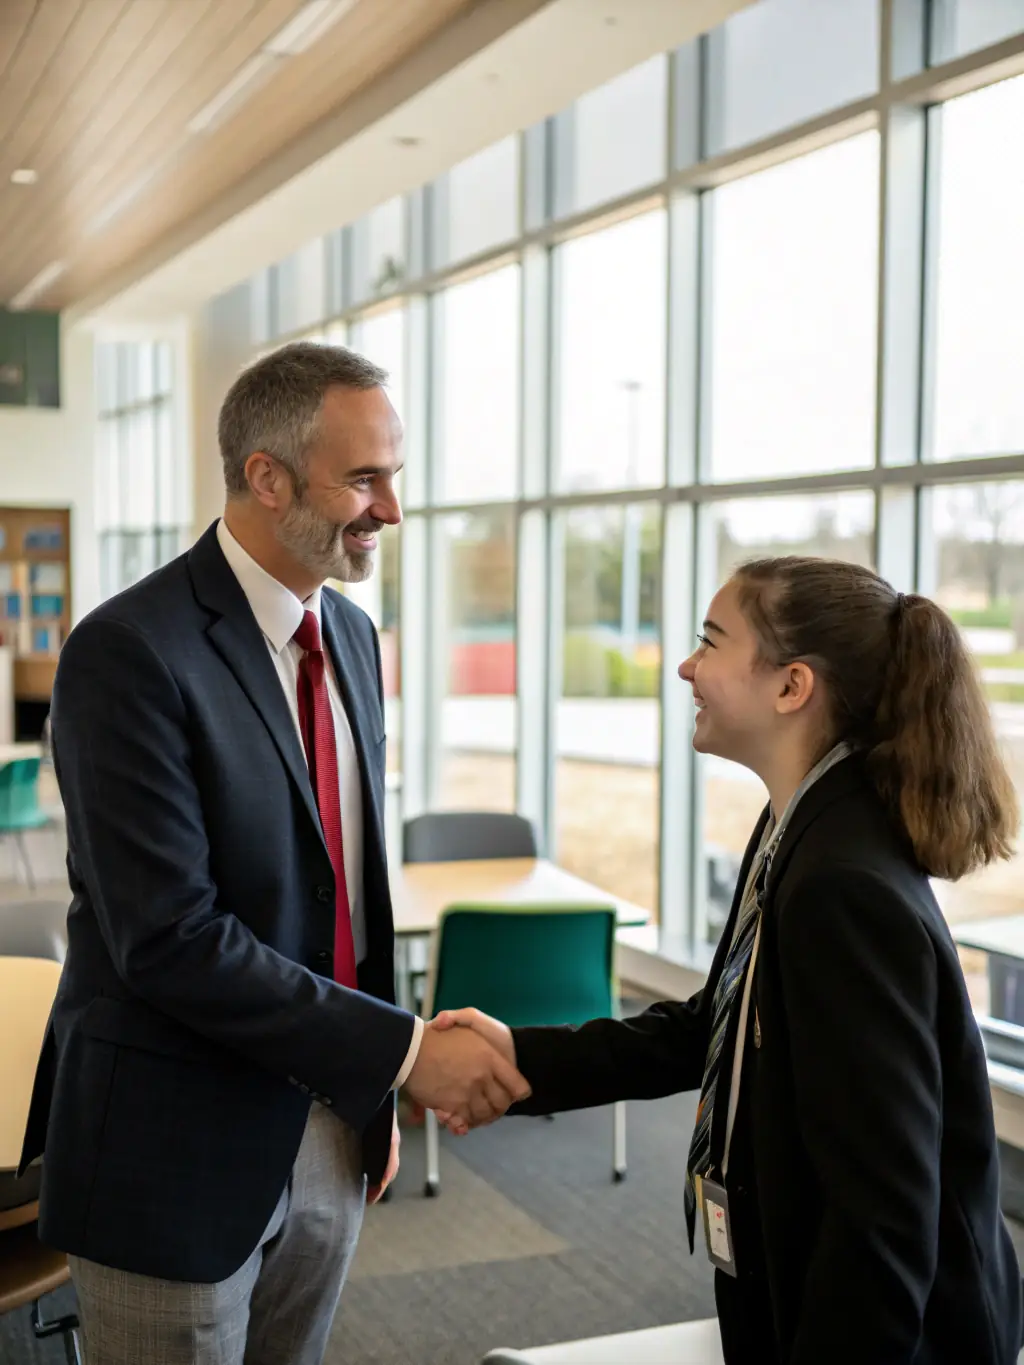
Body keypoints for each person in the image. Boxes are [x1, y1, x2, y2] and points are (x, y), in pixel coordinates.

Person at [19, 342, 529, 1365]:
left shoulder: (350, 637)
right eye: (365, 479)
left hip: (331, 1124)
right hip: (174, 1151)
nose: (391, 510)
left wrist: (373, 1102)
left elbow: (351, 886)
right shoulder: (129, 650)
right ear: (266, 476)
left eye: (395, 476)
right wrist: (406, 1050)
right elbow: (169, 937)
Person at [435, 556, 1024, 1365]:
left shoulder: (841, 886)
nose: (686, 665)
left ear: (791, 686)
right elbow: (718, 1024)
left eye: (711, 642)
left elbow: (883, 1219)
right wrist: (524, 1056)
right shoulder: (799, 822)